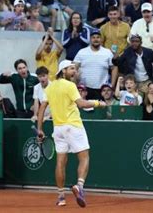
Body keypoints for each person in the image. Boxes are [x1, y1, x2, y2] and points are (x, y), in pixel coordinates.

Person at [37, 60, 107, 208]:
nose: (74, 71)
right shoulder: (70, 85)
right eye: (71, 69)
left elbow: (42, 108)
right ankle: (79, 186)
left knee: (60, 162)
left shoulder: (49, 88)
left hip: (58, 129)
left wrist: (40, 129)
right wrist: (98, 103)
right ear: (63, 71)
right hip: (73, 126)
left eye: (74, 69)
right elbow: (81, 104)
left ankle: (61, 197)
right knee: (84, 157)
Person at [74, 30, 114, 100]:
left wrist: (112, 84)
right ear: (90, 39)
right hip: (84, 89)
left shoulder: (107, 52)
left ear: (101, 39)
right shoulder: (82, 52)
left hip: (102, 89)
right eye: (93, 37)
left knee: (101, 110)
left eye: (98, 37)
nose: (96, 39)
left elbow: (114, 68)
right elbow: (74, 68)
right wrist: (75, 82)